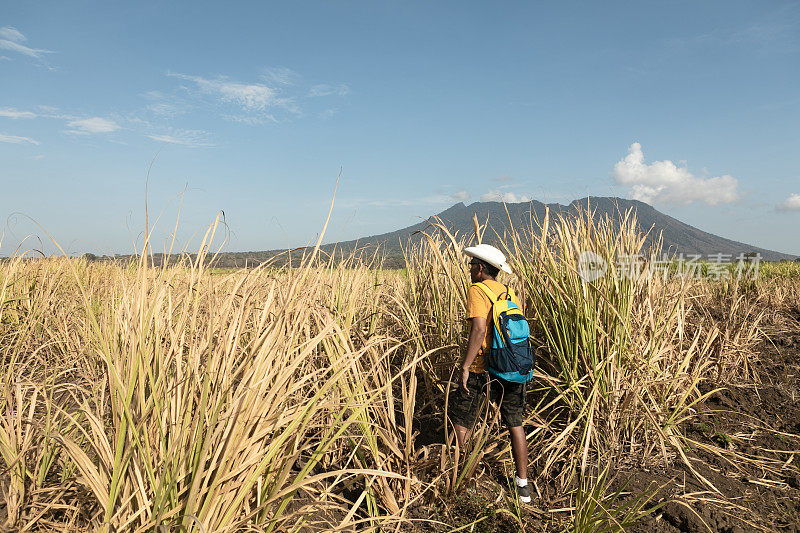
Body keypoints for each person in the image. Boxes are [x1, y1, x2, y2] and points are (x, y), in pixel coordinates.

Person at [448, 243, 531, 503]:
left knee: (462, 418)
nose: (469, 269)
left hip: (482, 367)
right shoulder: (509, 292)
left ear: (481, 269)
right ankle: (523, 487)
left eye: (471, 265)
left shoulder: (477, 289)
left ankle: (465, 480)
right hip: (510, 366)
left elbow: (480, 330)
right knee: (515, 423)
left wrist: (465, 366)